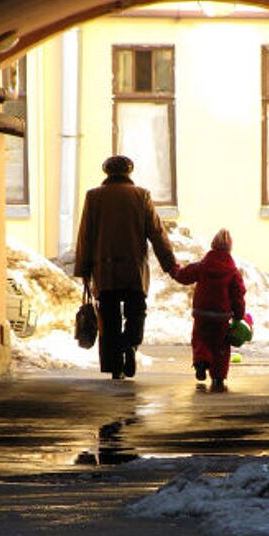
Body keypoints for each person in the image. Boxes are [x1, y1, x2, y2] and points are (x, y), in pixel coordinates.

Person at [74, 155, 178, 379]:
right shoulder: (141, 195)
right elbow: (156, 233)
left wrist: (83, 269)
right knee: (136, 312)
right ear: (129, 172)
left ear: (107, 172)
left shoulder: (94, 197)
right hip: (133, 269)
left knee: (109, 317)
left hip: (105, 269)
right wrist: (169, 264)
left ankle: (115, 367)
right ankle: (129, 345)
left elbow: (86, 235)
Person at [173, 228, 246, 391]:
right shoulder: (233, 272)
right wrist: (239, 315)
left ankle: (201, 362)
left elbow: (184, 275)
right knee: (221, 347)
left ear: (212, 245)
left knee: (201, 339)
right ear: (230, 249)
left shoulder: (202, 266)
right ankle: (219, 377)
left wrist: (174, 269)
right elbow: (238, 295)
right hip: (222, 316)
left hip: (202, 314)